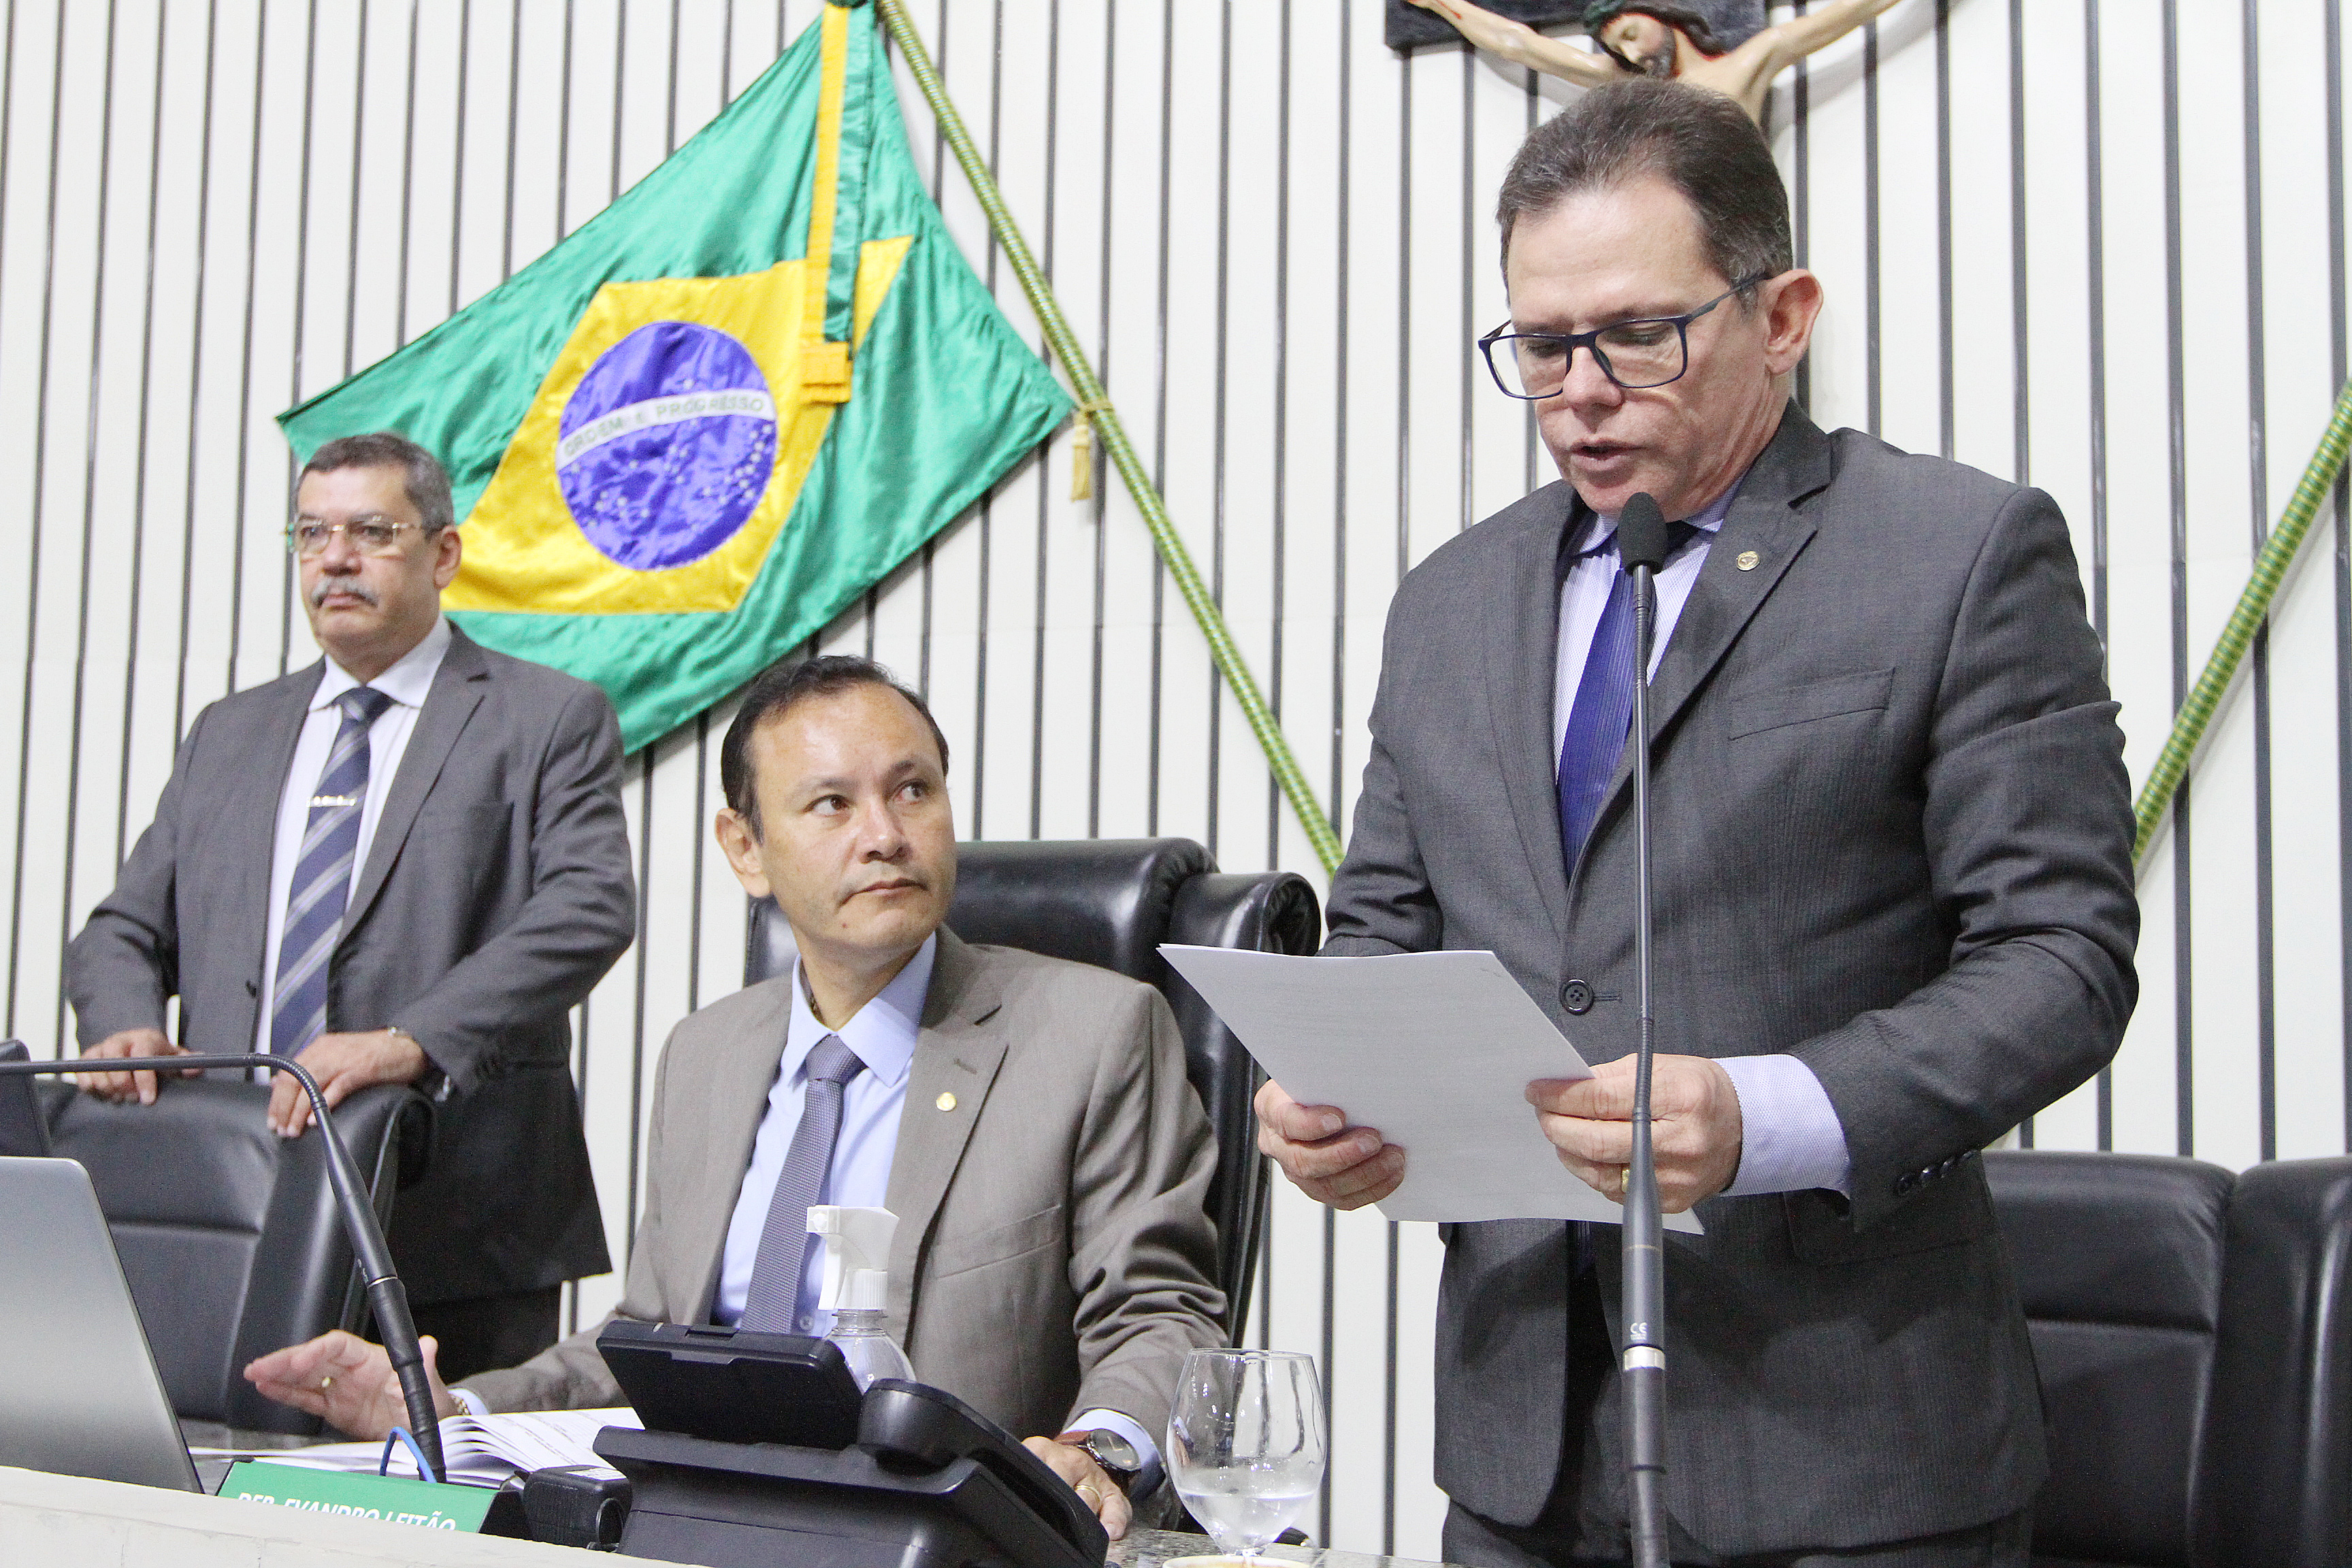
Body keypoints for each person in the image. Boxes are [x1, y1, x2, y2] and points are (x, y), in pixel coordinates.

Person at [1256, 82, 2136, 1567]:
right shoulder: (1449, 603)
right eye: (1543, 346)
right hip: (1522, 1455)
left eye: (1638, 335)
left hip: (1853, 1455)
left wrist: (1765, 1113)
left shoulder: (1955, 553)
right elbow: (1384, 927)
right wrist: (1335, 1091)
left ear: (1781, 316)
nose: (1583, 391)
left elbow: (2061, 958)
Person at [245, 655, 1227, 1539]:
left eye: (913, 791)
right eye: (831, 804)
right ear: (745, 847)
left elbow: (1160, 1314)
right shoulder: (707, 1055)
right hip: (698, 1530)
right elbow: (643, 1345)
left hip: (933, 1539)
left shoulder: (1093, 1034)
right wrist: (449, 1411)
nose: (885, 836)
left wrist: (1096, 1453)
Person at [63, 431, 635, 1382]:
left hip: (453, 1213)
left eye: (371, 531)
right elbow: (124, 927)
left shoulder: (546, 717)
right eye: (312, 534)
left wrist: (410, 1040)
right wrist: (122, 1022)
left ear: (443, 554)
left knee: (443, 1468)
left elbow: (590, 906)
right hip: (233, 1206)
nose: (335, 558)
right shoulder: (229, 731)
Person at [1408, 0, 1909, 124]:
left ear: (1662, 15)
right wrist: (1441, 5)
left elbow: (1852, 12)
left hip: (1738, 218)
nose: (1630, 55)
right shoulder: (1630, 83)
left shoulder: (1746, 65)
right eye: (1618, 49)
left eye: (1630, 35)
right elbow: (1518, 44)